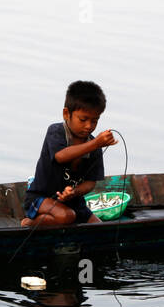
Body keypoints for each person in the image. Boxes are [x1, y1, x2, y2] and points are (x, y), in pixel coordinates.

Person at [21, 80, 118, 228]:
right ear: (67, 114)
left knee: (99, 227)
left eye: (95, 121)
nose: (89, 126)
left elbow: (90, 183)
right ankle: (29, 222)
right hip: (42, 198)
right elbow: (61, 156)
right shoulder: (56, 132)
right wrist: (96, 143)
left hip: (73, 202)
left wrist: (74, 192)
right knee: (67, 216)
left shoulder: (95, 145)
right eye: (83, 119)